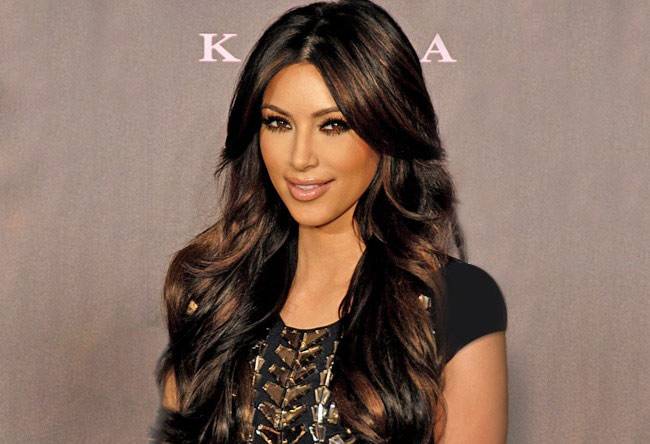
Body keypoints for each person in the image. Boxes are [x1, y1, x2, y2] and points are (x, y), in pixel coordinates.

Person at [150, 1, 508, 443]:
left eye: (333, 126)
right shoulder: (214, 296)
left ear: (387, 129)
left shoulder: (458, 302)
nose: (300, 158)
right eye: (278, 123)